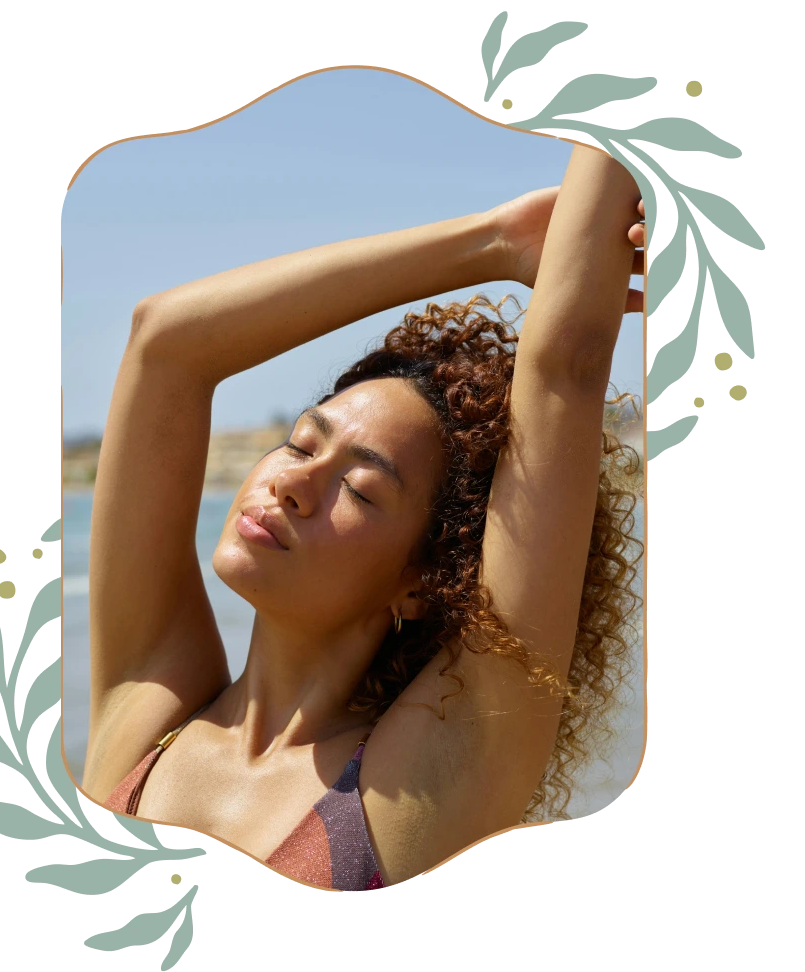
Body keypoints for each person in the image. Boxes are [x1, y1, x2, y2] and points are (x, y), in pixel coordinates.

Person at [81, 142, 645, 892]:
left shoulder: (430, 775)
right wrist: (491, 242)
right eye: (300, 442)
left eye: (360, 488)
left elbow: (564, 370)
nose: (292, 482)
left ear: (423, 581)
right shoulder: (151, 711)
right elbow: (166, 340)